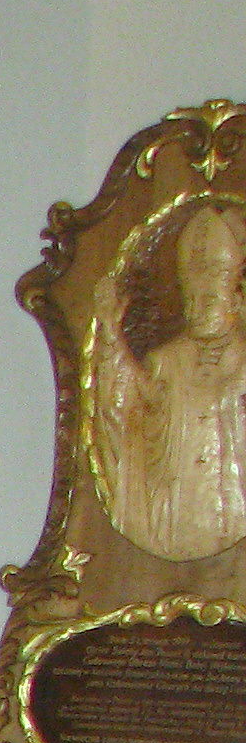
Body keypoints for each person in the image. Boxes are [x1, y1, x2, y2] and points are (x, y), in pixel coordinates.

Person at [94, 198, 246, 561]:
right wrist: (112, 337)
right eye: (192, 298)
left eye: (209, 299)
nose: (198, 308)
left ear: (235, 301)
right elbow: (124, 407)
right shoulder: (166, 361)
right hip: (174, 510)